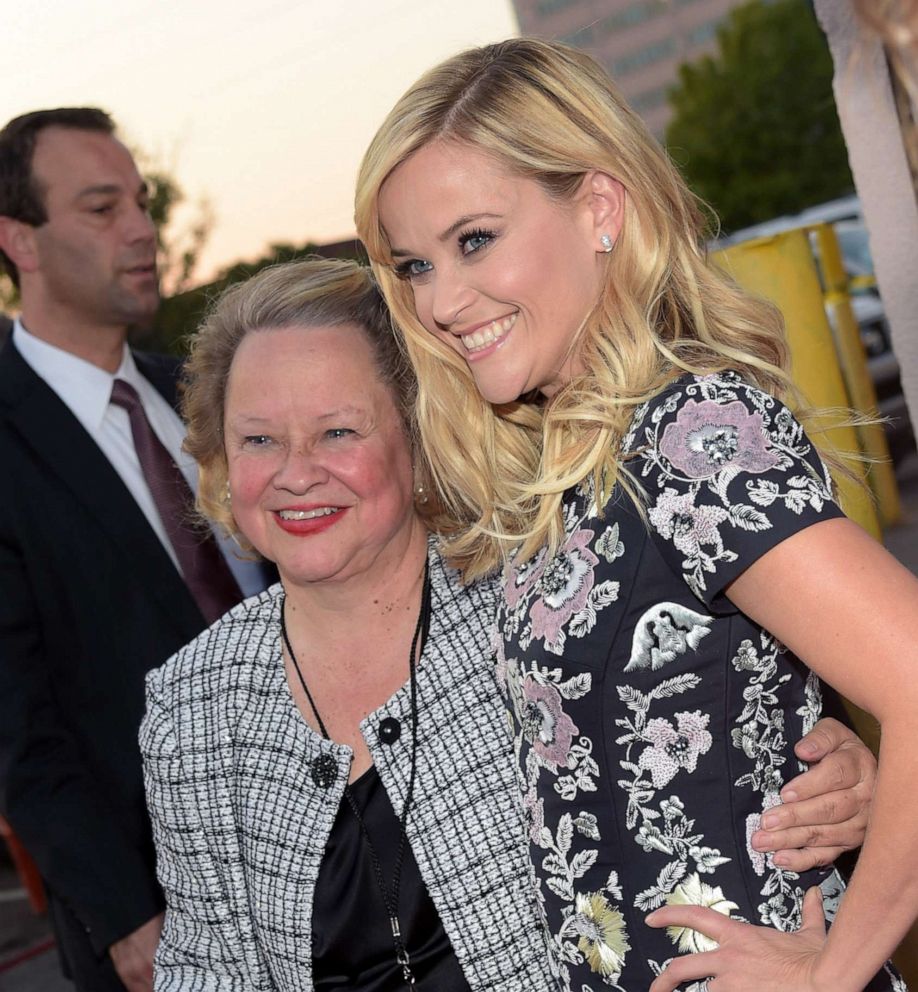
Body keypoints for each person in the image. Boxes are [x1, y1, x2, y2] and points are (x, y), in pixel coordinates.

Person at [142, 256, 881, 991]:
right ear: (219, 463)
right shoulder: (189, 706)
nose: (296, 473)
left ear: (420, 438)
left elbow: (723, 736)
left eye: (339, 432)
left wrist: (832, 774)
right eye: (259, 440)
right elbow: (203, 971)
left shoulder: (550, 606)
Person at [354, 37, 918, 992]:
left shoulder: (689, 431)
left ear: (601, 209)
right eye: (412, 265)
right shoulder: (567, 461)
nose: (442, 301)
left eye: (474, 240)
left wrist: (835, 973)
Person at [0, 107, 267, 992]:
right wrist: (125, 916)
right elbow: (15, 726)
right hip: (165, 923)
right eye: (102, 208)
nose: (142, 231)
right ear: (20, 242)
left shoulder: (196, 397)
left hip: (341, 859)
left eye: (142, 204)